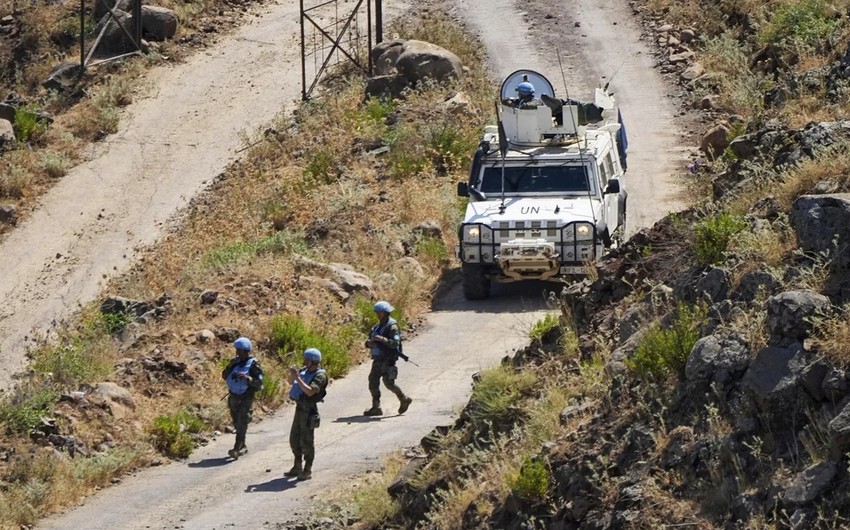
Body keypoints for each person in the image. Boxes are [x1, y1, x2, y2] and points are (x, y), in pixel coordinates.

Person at [285, 348, 328, 481]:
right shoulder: (304, 371)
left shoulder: (320, 376)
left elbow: (310, 392)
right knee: (294, 439)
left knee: (307, 441)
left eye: (307, 359)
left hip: (309, 410)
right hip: (299, 408)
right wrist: (293, 375)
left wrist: (298, 377)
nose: (305, 361)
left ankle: (307, 469)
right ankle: (297, 465)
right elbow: (290, 382)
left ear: (313, 361)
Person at [363, 301, 412, 416]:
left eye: (380, 312)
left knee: (388, 383)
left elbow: (395, 343)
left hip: (387, 358)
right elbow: (369, 340)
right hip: (378, 359)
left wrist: (382, 339)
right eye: (377, 312)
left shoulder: (392, 326)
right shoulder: (377, 327)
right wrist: (369, 343)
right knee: (373, 382)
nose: (378, 315)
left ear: (386, 313)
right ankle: (376, 407)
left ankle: (403, 399)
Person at [221, 337, 264, 459]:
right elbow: (224, 376)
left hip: (246, 397)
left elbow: (259, 383)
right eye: (237, 350)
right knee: (236, 421)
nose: (237, 353)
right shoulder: (234, 362)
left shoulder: (254, 364)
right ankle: (243, 446)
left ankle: (237, 447)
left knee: (242, 421)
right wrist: (231, 367)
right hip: (234, 396)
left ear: (246, 351)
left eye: (240, 350)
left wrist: (247, 378)